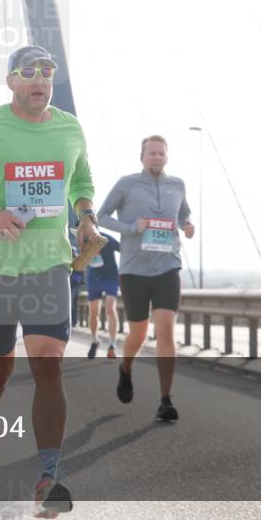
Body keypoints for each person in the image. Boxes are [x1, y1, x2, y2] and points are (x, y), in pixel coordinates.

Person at [0, 45, 98, 517]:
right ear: (11, 81)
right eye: (28, 72)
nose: (39, 80)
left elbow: (81, 182)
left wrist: (86, 216)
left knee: (48, 365)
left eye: (46, 72)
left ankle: (50, 474)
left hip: (50, 265)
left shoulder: (70, 127)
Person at [97, 134, 194, 422]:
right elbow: (101, 216)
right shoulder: (126, 184)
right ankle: (126, 368)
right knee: (138, 334)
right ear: (142, 157)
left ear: (167, 156)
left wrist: (187, 226)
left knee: (165, 329)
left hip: (168, 267)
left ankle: (166, 399)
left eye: (161, 153)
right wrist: (130, 227)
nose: (157, 157)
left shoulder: (177, 185)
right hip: (133, 270)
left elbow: (183, 216)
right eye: (151, 153)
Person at [85, 232, 120, 359]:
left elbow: (122, 248)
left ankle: (112, 344)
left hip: (111, 277)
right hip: (94, 278)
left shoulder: (106, 238)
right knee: (94, 313)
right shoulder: (80, 240)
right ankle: (95, 340)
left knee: (110, 309)